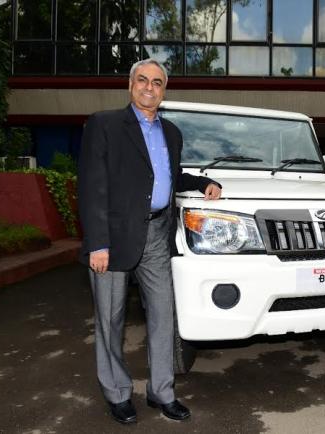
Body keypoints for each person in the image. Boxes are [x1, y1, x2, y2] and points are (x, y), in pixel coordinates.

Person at [77, 58, 221, 424]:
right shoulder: (105, 124)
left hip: (157, 233)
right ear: (131, 85)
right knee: (110, 319)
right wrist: (97, 243)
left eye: (157, 82)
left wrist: (203, 183)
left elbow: (169, 175)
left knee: (162, 315)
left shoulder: (171, 132)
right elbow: (92, 186)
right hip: (113, 238)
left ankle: (162, 392)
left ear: (163, 90)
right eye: (142, 80)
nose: (149, 87)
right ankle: (117, 393)